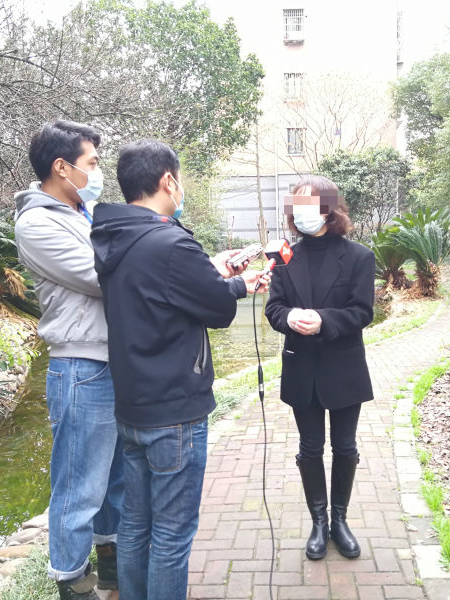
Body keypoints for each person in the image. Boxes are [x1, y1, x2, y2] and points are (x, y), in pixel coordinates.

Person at [90, 139, 269, 600]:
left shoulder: (113, 236)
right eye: (180, 179)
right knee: (172, 532)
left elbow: (165, 292)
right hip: (174, 411)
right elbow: (214, 308)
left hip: (132, 407)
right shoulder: (170, 242)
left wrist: (216, 274)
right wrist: (239, 285)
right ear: (168, 181)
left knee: (135, 524)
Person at [13, 119, 124, 600]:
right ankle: (73, 583)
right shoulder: (37, 223)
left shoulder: (86, 213)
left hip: (113, 360)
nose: (97, 172)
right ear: (62, 167)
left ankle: (113, 568)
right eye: (91, 163)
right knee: (79, 487)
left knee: (115, 479)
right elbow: (104, 278)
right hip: (80, 367)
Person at [265, 175, 375, 560]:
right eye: (296, 205)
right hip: (302, 367)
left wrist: (324, 320)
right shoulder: (284, 257)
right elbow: (274, 308)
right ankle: (318, 521)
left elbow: (362, 312)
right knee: (310, 448)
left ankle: (340, 520)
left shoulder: (358, 256)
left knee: (345, 446)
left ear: (329, 209)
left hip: (343, 366)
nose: (302, 213)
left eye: (310, 204)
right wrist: (290, 317)